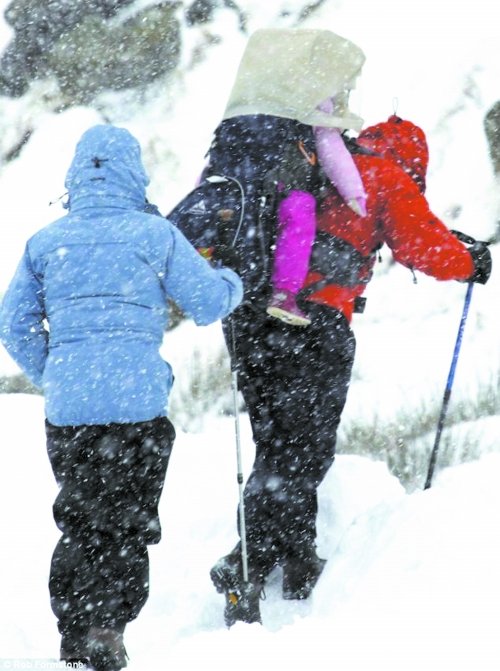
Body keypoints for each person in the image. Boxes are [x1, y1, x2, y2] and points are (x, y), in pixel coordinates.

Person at [179, 114, 492, 627]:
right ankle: (247, 561)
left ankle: (298, 556)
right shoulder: (383, 175)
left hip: (253, 317)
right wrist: (470, 261)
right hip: (313, 320)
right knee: (303, 446)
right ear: (415, 161)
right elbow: (419, 243)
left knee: (280, 439)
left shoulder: (317, 160)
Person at [0, 124, 243, 669]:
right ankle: (109, 625)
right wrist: (232, 278)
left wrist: (57, 372)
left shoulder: (46, 242)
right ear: (135, 174)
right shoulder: (154, 236)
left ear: (74, 176)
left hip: (71, 411)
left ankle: (73, 633)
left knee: (81, 518)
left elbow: (12, 324)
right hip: (137, 406)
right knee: (128, 520)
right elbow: (207, 303)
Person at [175, 28, 367, 327]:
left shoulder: (254, 94)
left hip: (234, 186)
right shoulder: (315, 97)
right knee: (300, 215)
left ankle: (203, 266)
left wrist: (202, 188)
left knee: (224, 220)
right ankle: (284, 293)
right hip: (281, 184)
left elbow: (217, 160)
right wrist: (355, 194)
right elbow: (330, 146)